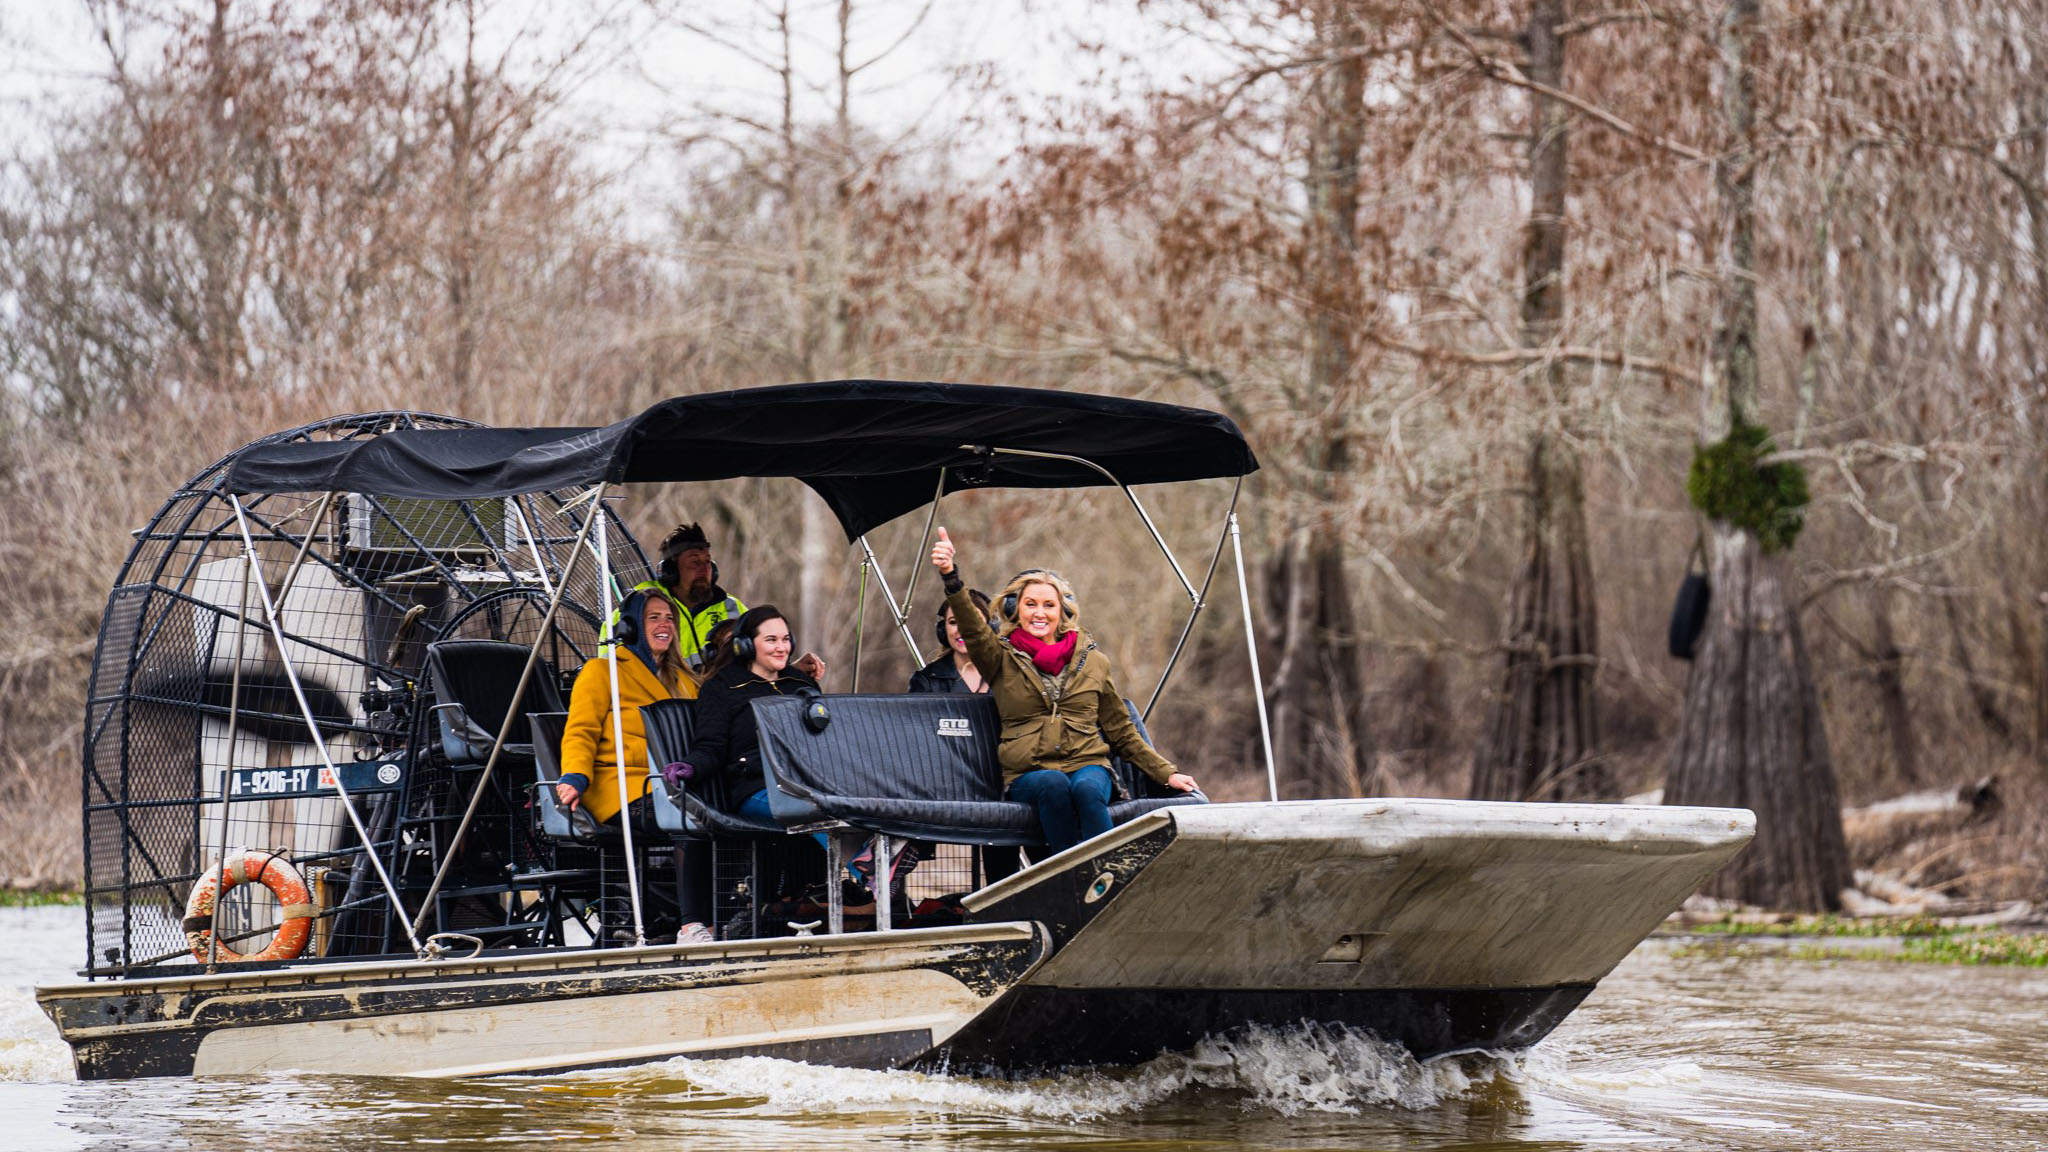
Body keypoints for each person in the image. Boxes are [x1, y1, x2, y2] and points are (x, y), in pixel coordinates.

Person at [928, 528, 1198, 855]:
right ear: (1016, 609)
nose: (1039, 613)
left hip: (1087, 763)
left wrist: (1167, 774)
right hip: (1030, 772)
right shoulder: (999, 656)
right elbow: (972, 627)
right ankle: (1066, 875)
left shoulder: (1094, 662)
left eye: (1048, 605)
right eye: (1030, 604)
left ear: (1063, 612)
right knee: (1053, 785)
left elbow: (1121, 731)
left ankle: (1109, 872)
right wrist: (951, 577)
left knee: (1086, 790)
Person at [553, 592, 710, 942]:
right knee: (688, 819)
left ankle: (733, 914)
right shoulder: (603, 671)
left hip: (675, 785)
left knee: (721, 813)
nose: (664, 624)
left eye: (669, 617)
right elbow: (581, 730)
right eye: (653, 617)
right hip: (624, 785)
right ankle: (692, 924)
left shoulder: (686, 681)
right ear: (630, 626)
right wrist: (574, 776)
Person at [908, 589, 994, 695]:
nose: (963, 629)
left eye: (973, 622)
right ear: (943, 629)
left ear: (991, 628)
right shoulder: (925, 681)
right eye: (953, 622)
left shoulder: (1010, 675)